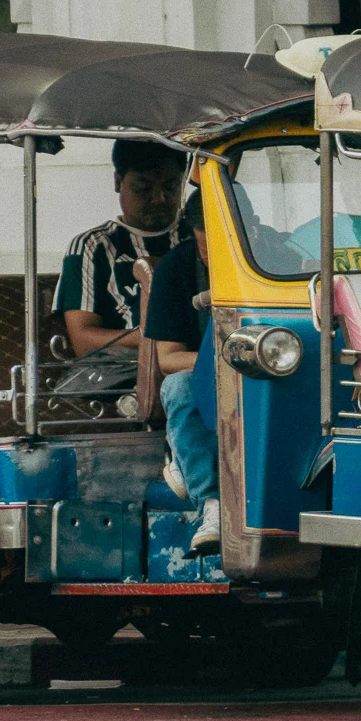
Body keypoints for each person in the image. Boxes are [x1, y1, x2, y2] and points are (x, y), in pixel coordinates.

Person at [55, 139, 188, 357]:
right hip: (124, 372)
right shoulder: (91, 247)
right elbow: (82, 340)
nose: (159, 199)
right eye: (143, 189)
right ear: (118, 182)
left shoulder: (197, 235)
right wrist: (161, 337)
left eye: (170, 187)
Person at [144, 190, 219, 553]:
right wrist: (221, 359)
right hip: (208, 375)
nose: (213, 256)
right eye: (207, 248)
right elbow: (168, 357)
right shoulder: (177, 267)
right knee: (179, 387)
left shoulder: (279, 256)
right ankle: (212, 505)